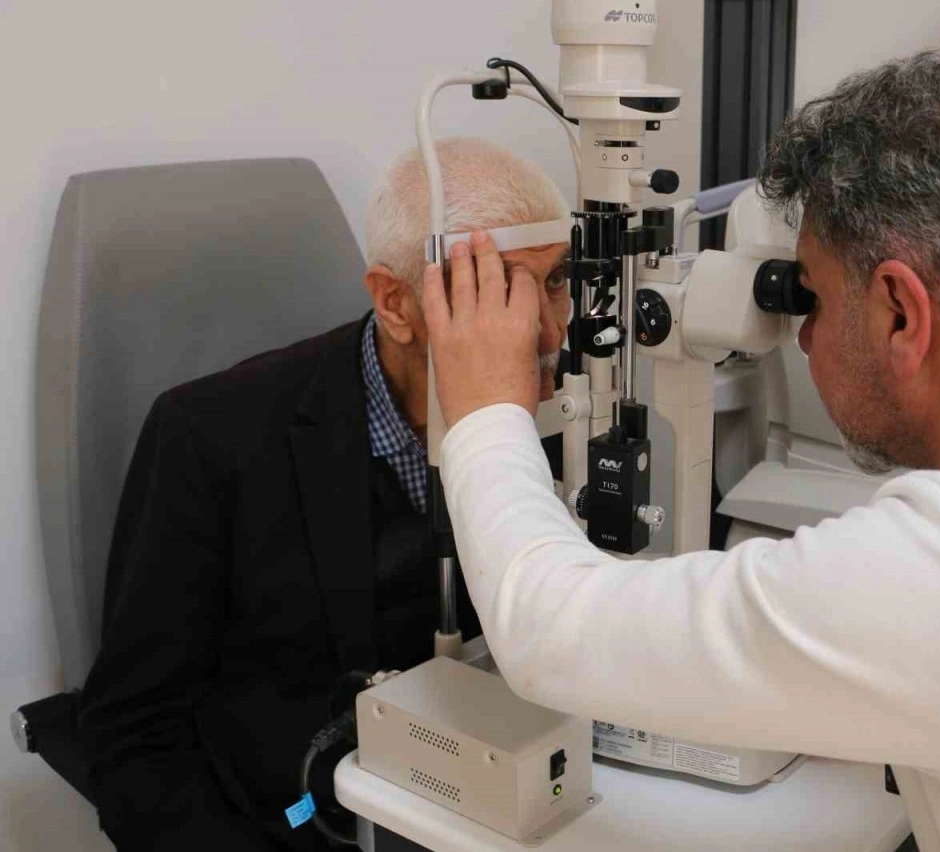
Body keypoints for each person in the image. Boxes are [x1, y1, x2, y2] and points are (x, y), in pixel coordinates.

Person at [422, 51, 940, 851]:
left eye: (817, 300)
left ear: (901, 312)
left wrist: (485, 407)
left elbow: (548, 630)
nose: (802, 340)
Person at [78, 137, 573, 852]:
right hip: (300, 816)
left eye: (555, 281)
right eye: (496, 291)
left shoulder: (567, 411)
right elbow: (134, 738)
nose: (549, 332)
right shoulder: (210, 439)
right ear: (396, 303)